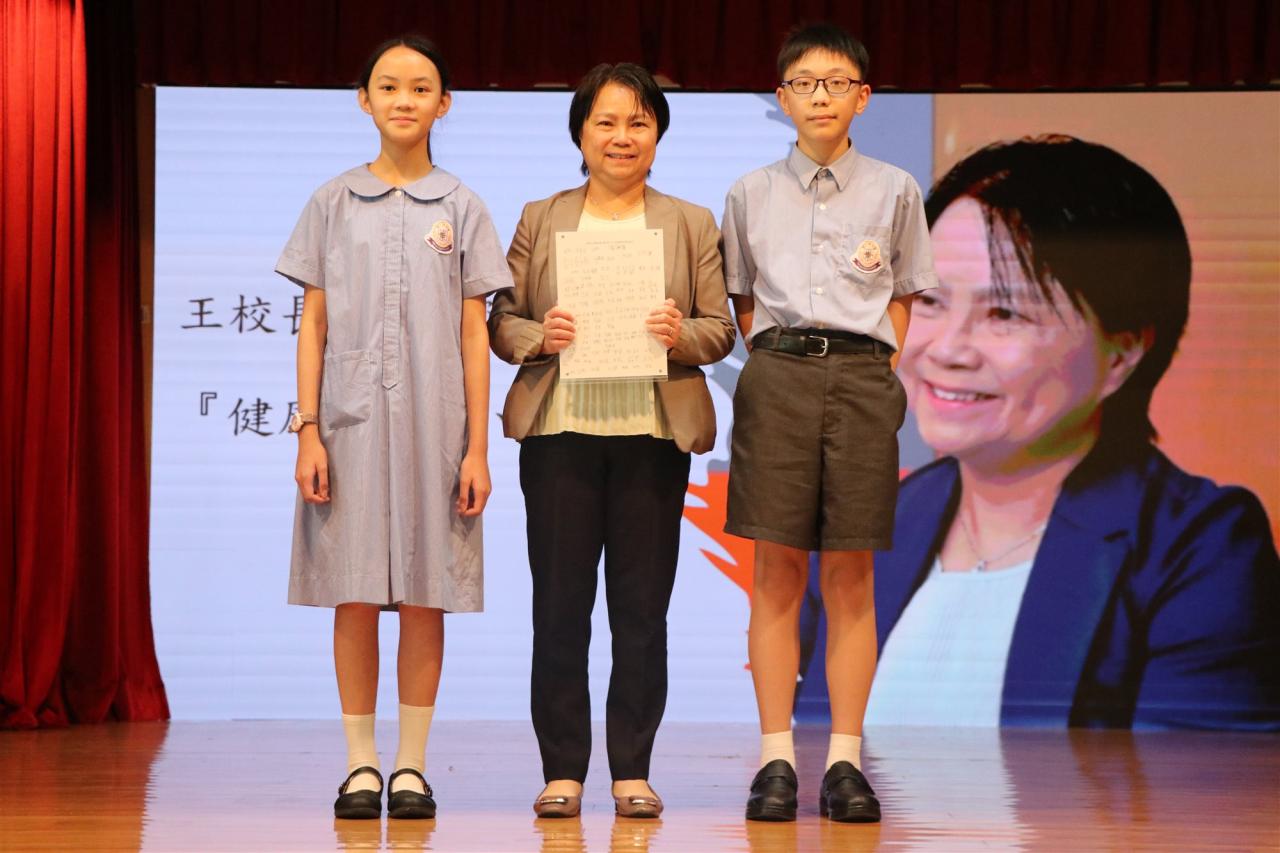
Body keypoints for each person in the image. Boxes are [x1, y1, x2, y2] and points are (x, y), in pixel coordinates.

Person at [865, 135, 1280, 730]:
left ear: (1122, 354)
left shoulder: (1198, 548)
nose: (948, 349)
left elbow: (1193, 784)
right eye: (929, 301)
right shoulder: (872, 523)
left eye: (1004, 313)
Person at [275, 35, 513, 820]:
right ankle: (359, 765)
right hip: (346, 425)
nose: (403, 99)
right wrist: (309, 429)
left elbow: (474, 332)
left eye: (419, 87)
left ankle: (410, 765)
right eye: (388, 85)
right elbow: (312, 322)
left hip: (436, 428)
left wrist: (477, 448)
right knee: (351, 593)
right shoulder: (332, 200)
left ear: (444, 103)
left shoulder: (462, 205)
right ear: (364, 100)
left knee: (425, 593)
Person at [489, 62, 734, 819]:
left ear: (657, 136)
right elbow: (502, 320)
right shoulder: (542, 216)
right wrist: (541, 334)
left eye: (638, 123)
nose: (621, 137)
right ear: (580, 134)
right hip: (560, 432)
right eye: (606, 122)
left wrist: (678, 333)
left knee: (641, 612)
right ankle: (563, 771)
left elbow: (720, 330)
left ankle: (632, 770)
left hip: (651, 436)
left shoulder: (691, 222)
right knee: (559, 609)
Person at [720, 23, 937, 823]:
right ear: (782, 98)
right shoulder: (749, 192)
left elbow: (905, 293)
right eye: (805, 83)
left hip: (860, 378)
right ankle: (775, 757)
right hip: (777, 374)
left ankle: (845, 760)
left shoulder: (896, 188)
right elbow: (741, 297)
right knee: (775, 570)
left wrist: (873, 366)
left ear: (863, 97)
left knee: (850, 574)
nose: (820, 95)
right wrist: (777, 358)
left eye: (837, 82)